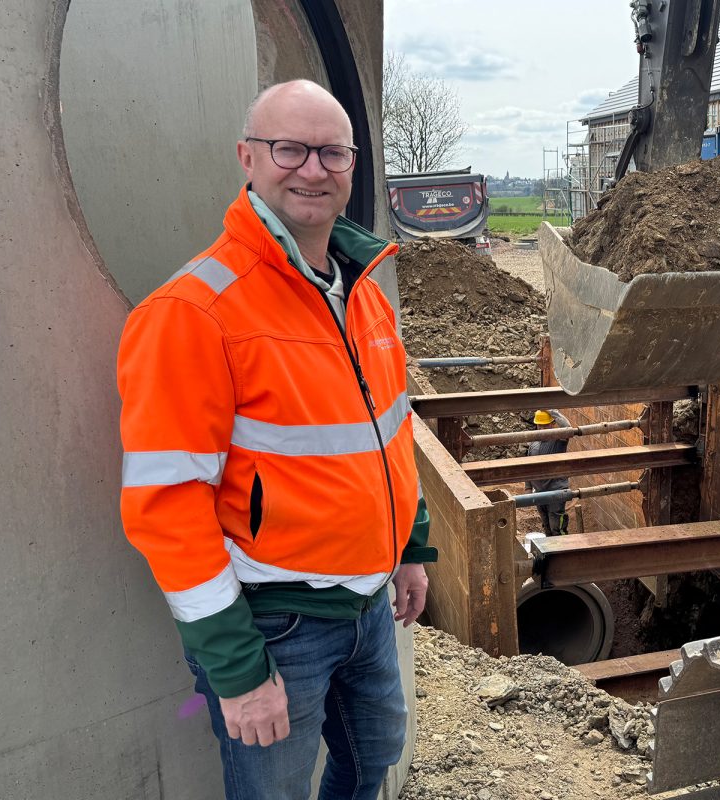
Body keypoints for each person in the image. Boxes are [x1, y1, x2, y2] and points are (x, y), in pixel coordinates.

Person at [117, 80, 435, 800]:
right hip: (276, 623)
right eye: (290, 149)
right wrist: (236, 669)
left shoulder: (361, 289)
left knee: (375, 753)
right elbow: (166, 506)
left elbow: (387, 433)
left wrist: (410, 549)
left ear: (352, 166)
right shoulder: (195, 312)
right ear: (248, 158)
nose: (313, 169)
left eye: (332, 152)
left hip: (365, 604)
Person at [526, 409, 572, 535]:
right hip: (539, 492)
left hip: (556, 491)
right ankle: (550, 553)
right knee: (546, 526)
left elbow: (568, 428)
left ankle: (563, 553)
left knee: (556, 527)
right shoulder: (534, 443)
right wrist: (528, 488)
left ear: (552, 424)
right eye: (539, 425)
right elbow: (528, 467)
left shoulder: (558, 440)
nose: (542, 429)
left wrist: (553, 411)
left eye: (545, 425)